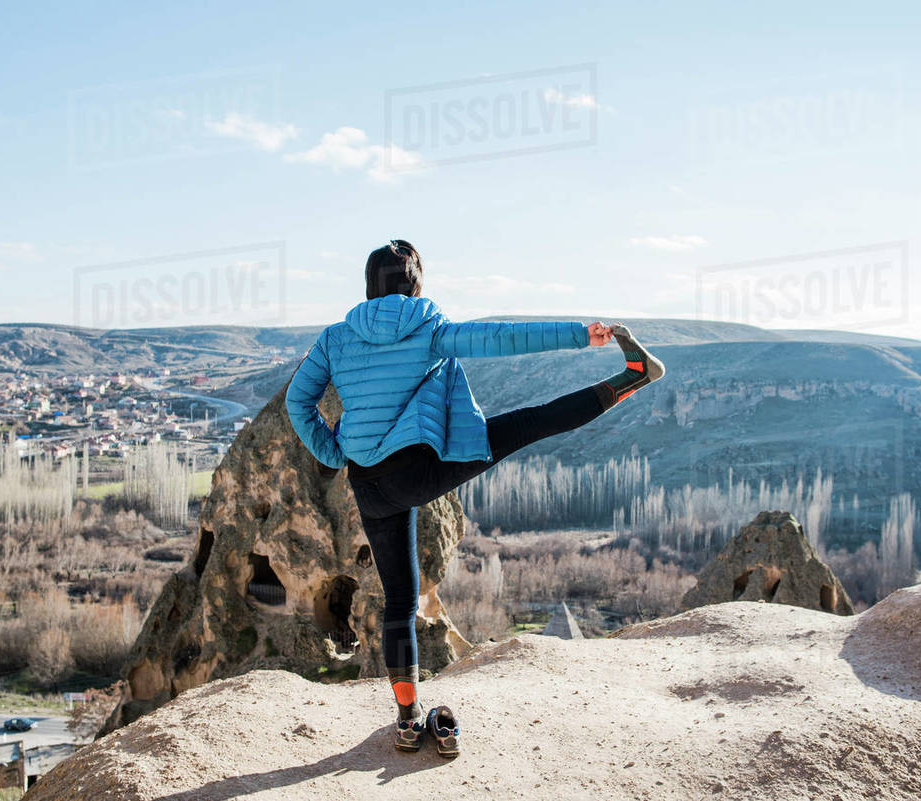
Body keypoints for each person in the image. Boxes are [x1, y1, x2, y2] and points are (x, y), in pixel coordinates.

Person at [284, 239, 665, 755]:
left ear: (368, 286)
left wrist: (332, 452)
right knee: (528, 423)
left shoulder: (335, 338)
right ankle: (634, 377)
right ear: (416, 284)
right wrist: (581, 334)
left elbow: (297, 401)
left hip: (367, 483)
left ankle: (405, 719)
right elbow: (502, 338)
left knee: (399, 600)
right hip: (423, 470)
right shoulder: (430, 328)